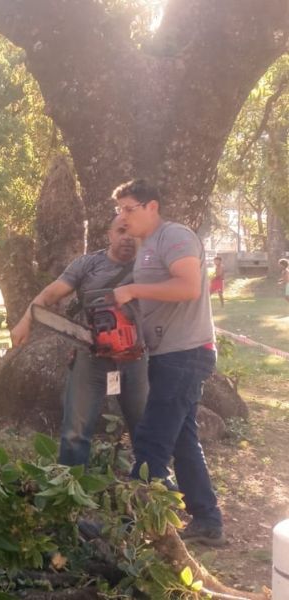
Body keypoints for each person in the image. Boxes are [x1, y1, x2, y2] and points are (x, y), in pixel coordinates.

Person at [111, 179, 225, 547]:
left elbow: (190, 286)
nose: (123, 217)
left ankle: (137, 527)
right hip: (168, 354)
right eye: (118, 211)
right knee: (183, 440)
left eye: (129, 209)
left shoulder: (174, 236)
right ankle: (207, 519)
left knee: (151, 441)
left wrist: (134, 290)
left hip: (187, 353)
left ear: (152, 207)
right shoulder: (146, 247)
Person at [10, 215, 147, 467]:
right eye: (121, 231)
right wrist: (26, 320)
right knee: (76, 427)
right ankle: (71, 483)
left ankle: (153, 477)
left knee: (145, 423)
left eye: (132, 232)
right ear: (110, 234)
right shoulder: (88, 264)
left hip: (136, 356)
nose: (127, 237)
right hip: (91, 353)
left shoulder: (149, 265)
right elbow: (50, 293)